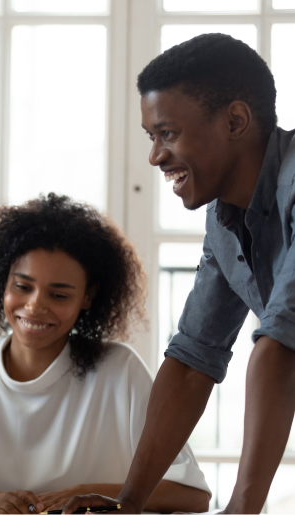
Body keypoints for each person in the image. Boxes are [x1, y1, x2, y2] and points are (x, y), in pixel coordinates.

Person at [64, 34, 295, 514]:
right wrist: (129, 503)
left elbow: (280, 346)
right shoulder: (224, 218)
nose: (155, 157)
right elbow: (192, 361)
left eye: (168, 133)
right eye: (152, 136)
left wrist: (243, 507)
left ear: (235, 120)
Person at [0, 194, 212, 514]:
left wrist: (87, 492)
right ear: (3, 282)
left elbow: (191, 495)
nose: (34, 306)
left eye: (58, 294)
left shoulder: (119, 369)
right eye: (22, 287)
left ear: (88, 297)